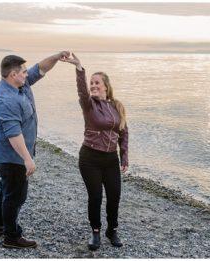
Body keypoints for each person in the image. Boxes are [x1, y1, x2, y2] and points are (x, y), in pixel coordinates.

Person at [0, 51, 69, 249]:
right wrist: (27, 159)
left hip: (11, 156)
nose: (27, 74)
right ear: (13, 74)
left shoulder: (19, 84)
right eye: (23, 71)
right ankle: (11, 237)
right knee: (16, 195)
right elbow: (13, 134)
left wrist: (57, 57)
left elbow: (40, 68)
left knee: (6, 189)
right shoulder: (6, 100)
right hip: (11, 157)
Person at [62, 53, 129, 250]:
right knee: (96, 196)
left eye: (97, 82)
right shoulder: (89, 105)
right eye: (91, 82)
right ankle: (96, 232)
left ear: (106, 86)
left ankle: (112, 230)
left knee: (114, 195)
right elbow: (82, 91)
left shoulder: (117, 106)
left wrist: (124, 155)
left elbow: (124, 132)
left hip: (110, 159)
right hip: (90, 158)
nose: (93, 86)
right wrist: (79, 67)